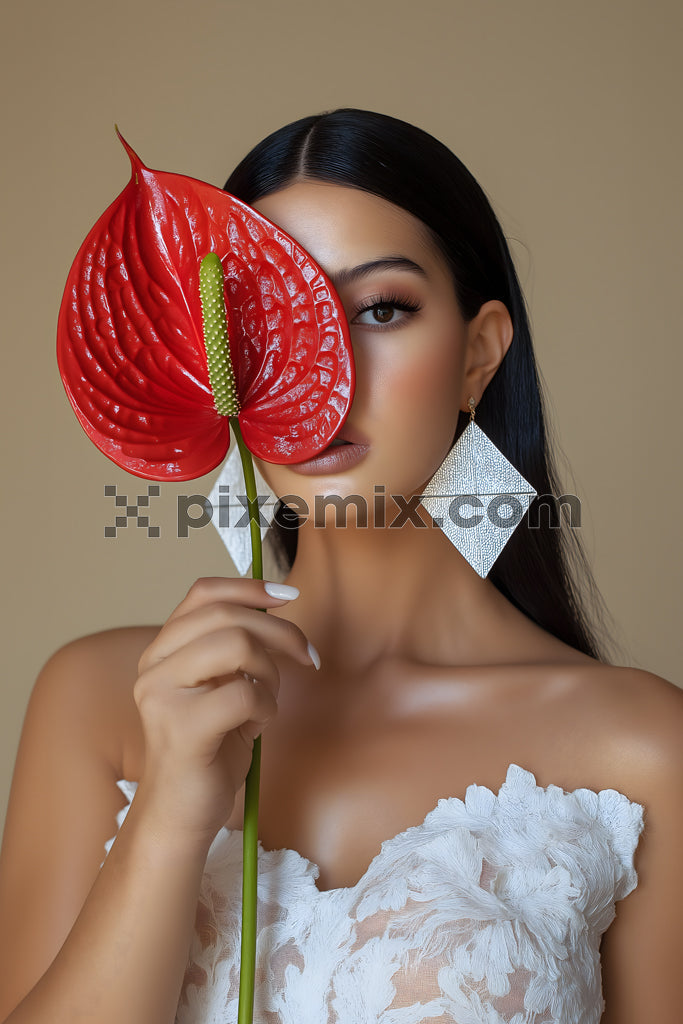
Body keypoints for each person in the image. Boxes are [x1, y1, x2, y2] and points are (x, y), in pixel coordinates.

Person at [0, 108, 680, 1024]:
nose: (322, 370)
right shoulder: (98, 701)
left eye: (379, 309)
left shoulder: (639, 749)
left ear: (477, 354)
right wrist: (168, 809)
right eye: (267, 319)